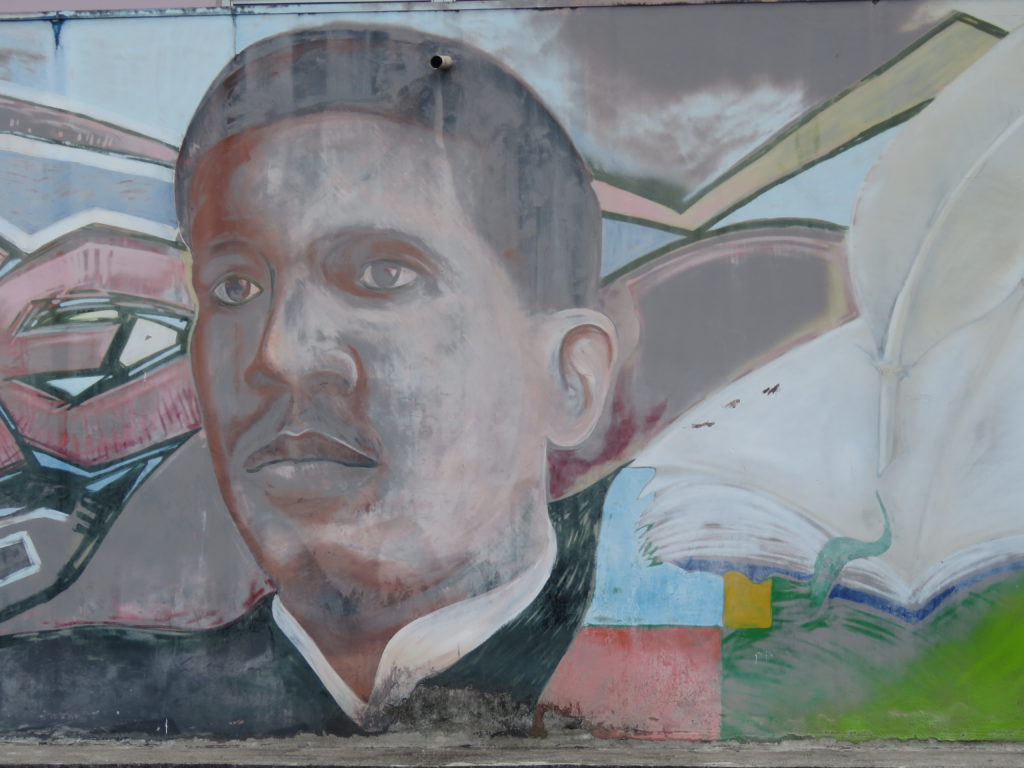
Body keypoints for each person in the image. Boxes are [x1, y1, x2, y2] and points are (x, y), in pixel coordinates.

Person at [171, 24, 618, 732]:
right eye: (235, 288)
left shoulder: (741, 665)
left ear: (568, 377)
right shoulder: (88, 704)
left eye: (382, 275)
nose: (280, 354)